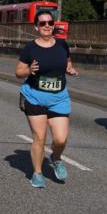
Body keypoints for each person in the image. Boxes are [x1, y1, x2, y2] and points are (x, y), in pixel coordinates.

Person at [15, 10, 78, 188]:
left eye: (49, 22)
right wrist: (29, 71)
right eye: (42, 23)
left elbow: (67, 61)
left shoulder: (62, 44)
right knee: (40, 137)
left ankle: (56, 158)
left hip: (59, 98)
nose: (47, 26)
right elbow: (18, 72)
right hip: (34, 97)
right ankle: (37, 173)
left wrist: (69, 69)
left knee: (60, 139)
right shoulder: (30, 48)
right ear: (36, 27)